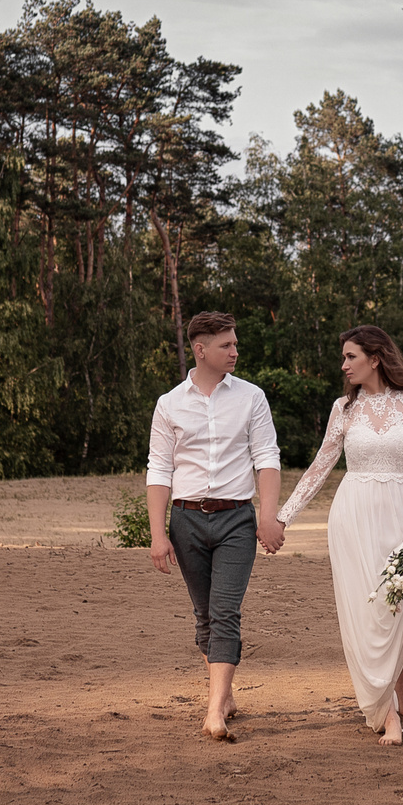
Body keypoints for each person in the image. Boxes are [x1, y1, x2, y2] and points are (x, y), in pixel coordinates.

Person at [278, 324, 403, 746]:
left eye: (351, 357)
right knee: (368, 613)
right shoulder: (343, 409)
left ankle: (400, 680)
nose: (344, 365)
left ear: (376, 358)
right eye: (344, 357)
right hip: (353, 516)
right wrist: (283, 517)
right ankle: (387, 711)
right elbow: (321, 466)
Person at [145, 311, 284, 742]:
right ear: (200, 349)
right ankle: (224, 695)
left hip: (236, 521)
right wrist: (157, 534)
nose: (235, 351)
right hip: (186, 519)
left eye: (235, 343)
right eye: (227, 345)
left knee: (225, 612)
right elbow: (159, 470)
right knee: (204, 615)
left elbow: (267, 457)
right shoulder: (169, 403)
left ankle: (213, 712)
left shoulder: (251, 397)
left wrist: (267, 515)